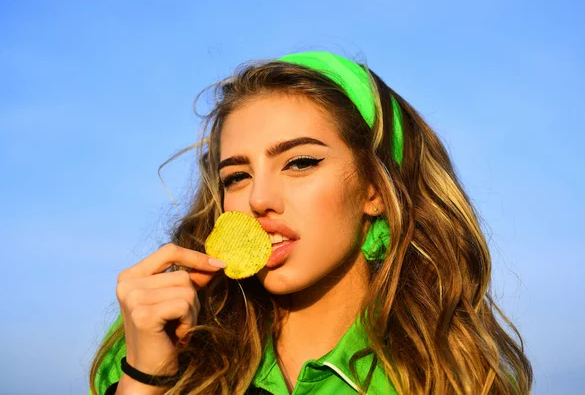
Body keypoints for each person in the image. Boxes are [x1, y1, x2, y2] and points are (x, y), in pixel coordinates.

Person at [88, 51, 533, 395]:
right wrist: (146, 376)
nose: (258, 199)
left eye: (300, 162)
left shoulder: (455, 371)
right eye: (237, 177)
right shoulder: (153, 341)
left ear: (374, 188)